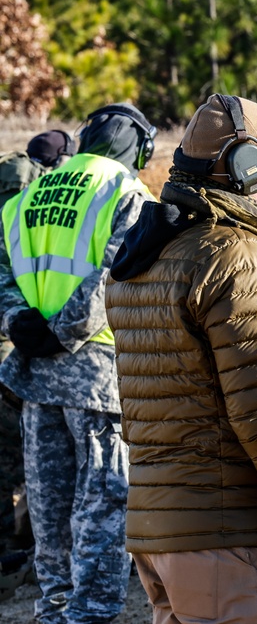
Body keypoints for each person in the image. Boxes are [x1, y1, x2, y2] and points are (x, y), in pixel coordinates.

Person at [104, 94, 257, 623]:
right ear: (247, 168)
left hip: (163, 537)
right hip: (229, 539)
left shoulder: (150, 255)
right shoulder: (238, 259)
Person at [0, 104, 157, 624]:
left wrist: (19, 322)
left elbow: (6, 268)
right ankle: (88, 617)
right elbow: (114, 273)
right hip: (96, 379)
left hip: (37, 377)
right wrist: (63, 331)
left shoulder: (30, 193)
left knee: (49, 519)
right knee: (102, 511)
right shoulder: (127, 193)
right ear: (138, 147)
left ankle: (54, 613)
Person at [0, 129, 76, 557]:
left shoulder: (10, 182)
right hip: (23, 338)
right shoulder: (37, 196)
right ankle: (22, 545)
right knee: (25, 447)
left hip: (10, 324)